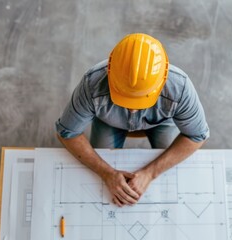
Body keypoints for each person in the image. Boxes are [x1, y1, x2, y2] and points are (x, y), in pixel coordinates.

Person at [56, 33, 209, 207]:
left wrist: (150, 173)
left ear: (163, 80)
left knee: (169, 171)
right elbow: (67, 133)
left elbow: (197, 136)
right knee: (98, 163)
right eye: (123, 96)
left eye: (143, 98)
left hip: (161, 122)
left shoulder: (180, 88)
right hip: (109, 122)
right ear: (109, 72)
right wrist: (107, 173)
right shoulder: (92, 84)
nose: (133, 109)